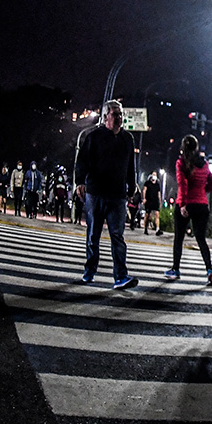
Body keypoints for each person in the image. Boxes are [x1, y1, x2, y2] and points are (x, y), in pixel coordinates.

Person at [74, 100, 139, 289]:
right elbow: (82, 161)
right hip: (95, 192)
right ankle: (90, 271)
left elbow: (130, 166)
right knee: (93, 235)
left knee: (117, 236)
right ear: (105, 117)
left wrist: (131, 186)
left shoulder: (128, 139)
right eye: (115, 114)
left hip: (117, 195)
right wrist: (80, 182)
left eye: (120, 114)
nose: (119, 118)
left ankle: (121, 276)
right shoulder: (94, 136)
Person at [164, 135, 212, 285]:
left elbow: (183, 184)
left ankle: (175, 269)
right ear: (196, 148)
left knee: (179, 238)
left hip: (186, 204)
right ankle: (209, 270)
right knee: (201, 239)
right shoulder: (205, 164)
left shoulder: (181, 163)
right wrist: (201, 192)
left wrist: (183, 205)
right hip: (202, 205)